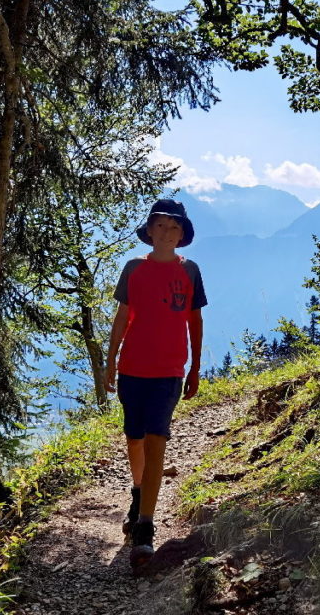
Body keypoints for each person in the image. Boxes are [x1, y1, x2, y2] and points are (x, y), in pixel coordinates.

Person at [104, 198, 206, 568]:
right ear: (149, 231)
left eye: (174, 227)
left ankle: (145, 526)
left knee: (156, 436)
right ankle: (138, 492)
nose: (166, 232)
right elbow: (122, 316)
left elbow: (194, 321)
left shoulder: (190, 272)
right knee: (134, 436)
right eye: (160, 225)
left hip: (169, 371)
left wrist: (195, 367)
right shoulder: (133, 269)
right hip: (132, 368)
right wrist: (109, 360)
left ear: (183, 235)